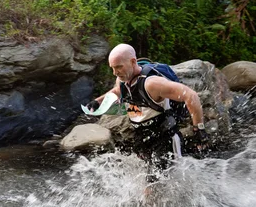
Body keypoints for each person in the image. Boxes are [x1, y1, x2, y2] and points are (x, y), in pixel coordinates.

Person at [85, 44, 208, 184]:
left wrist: (199, 129)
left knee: (156, 185)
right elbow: (117, 90)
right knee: (148, 179)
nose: (115, 72)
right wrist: (98, 101)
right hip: (142, 137)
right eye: (112, 68)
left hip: (164, 138)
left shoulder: (152, 84)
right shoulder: (123, 79)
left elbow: (191, 96)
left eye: (118, 67)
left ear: (133, 62)